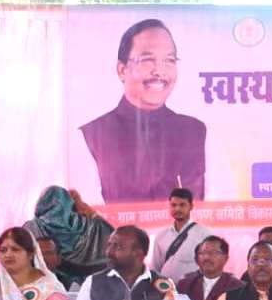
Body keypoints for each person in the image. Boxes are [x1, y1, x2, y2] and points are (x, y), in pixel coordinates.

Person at [79, 19, 206, 203]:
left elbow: (220, 203)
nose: (159, 71)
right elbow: (85, 209)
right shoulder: (91, 136)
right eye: (147, 60)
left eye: (169, 60)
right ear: (122, 70)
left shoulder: (196, 132)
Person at [23, 186, 114, 287]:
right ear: (69, 204)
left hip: (41, 287)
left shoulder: (33, 226)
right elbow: (111, 236)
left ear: (41, 203)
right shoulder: (92, 225)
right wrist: (90, 212)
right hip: (89, 287)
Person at [149, 188, 211, 282]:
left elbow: (210, 265)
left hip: (193, 288)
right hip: (166, 289)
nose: (177, 209)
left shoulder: (204, 234)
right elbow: (155, 268)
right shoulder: (161, 236)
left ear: (191, 206)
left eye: (182, 205)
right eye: (174, 205)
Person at [177, 235, 242, 300]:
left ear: (225, 258)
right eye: (202, 253)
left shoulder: (237, 287)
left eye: (212, 253)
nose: (206, 257)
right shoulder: (185, 284)